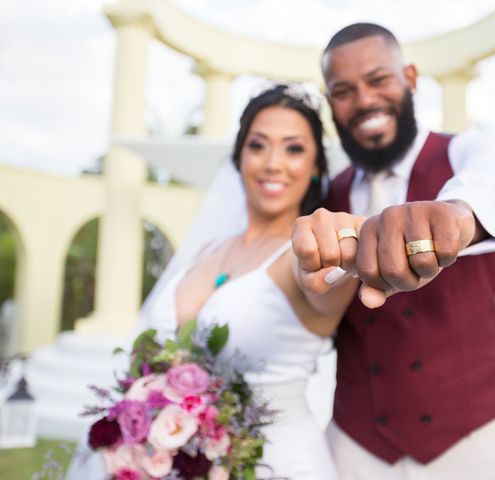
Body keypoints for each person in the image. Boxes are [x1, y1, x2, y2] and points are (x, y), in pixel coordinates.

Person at [66, 84, 361, 480]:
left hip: (276, 462)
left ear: (316, 167)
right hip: (174, 459)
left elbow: (323, 279)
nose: (274, 163)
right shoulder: (206, 248)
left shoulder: (304, 255)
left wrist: (348, 244)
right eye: (258, 146)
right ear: (238, 157)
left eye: (294, 149)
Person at [291, 23, 495, 479]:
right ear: (330, 104)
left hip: (476, 439)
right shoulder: (327, 196)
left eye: (378, 79)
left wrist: (459, 216)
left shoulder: (469, 151)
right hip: (355, 443)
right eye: (343, 91)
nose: (364, 100)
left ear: (410, 76)